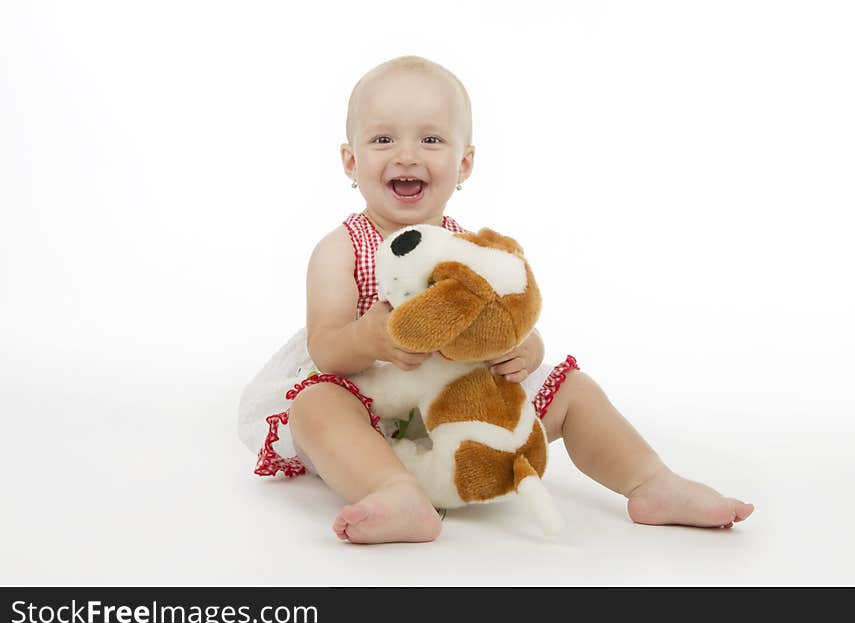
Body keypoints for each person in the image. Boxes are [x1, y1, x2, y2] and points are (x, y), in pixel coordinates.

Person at [237, 55, 754, 544]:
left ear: (464, 164)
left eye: (431, 139)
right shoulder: (342, 248)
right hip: (373, 407)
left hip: (461, 408)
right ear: (351, 160)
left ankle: (650, 482)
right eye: (382, 138)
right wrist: (368, 337)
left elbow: (507, 320)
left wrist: (525, 349)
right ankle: (394, 493)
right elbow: (326, 347)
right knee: (316, 405)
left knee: (573, 387)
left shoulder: (471, 250)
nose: (407, 154)